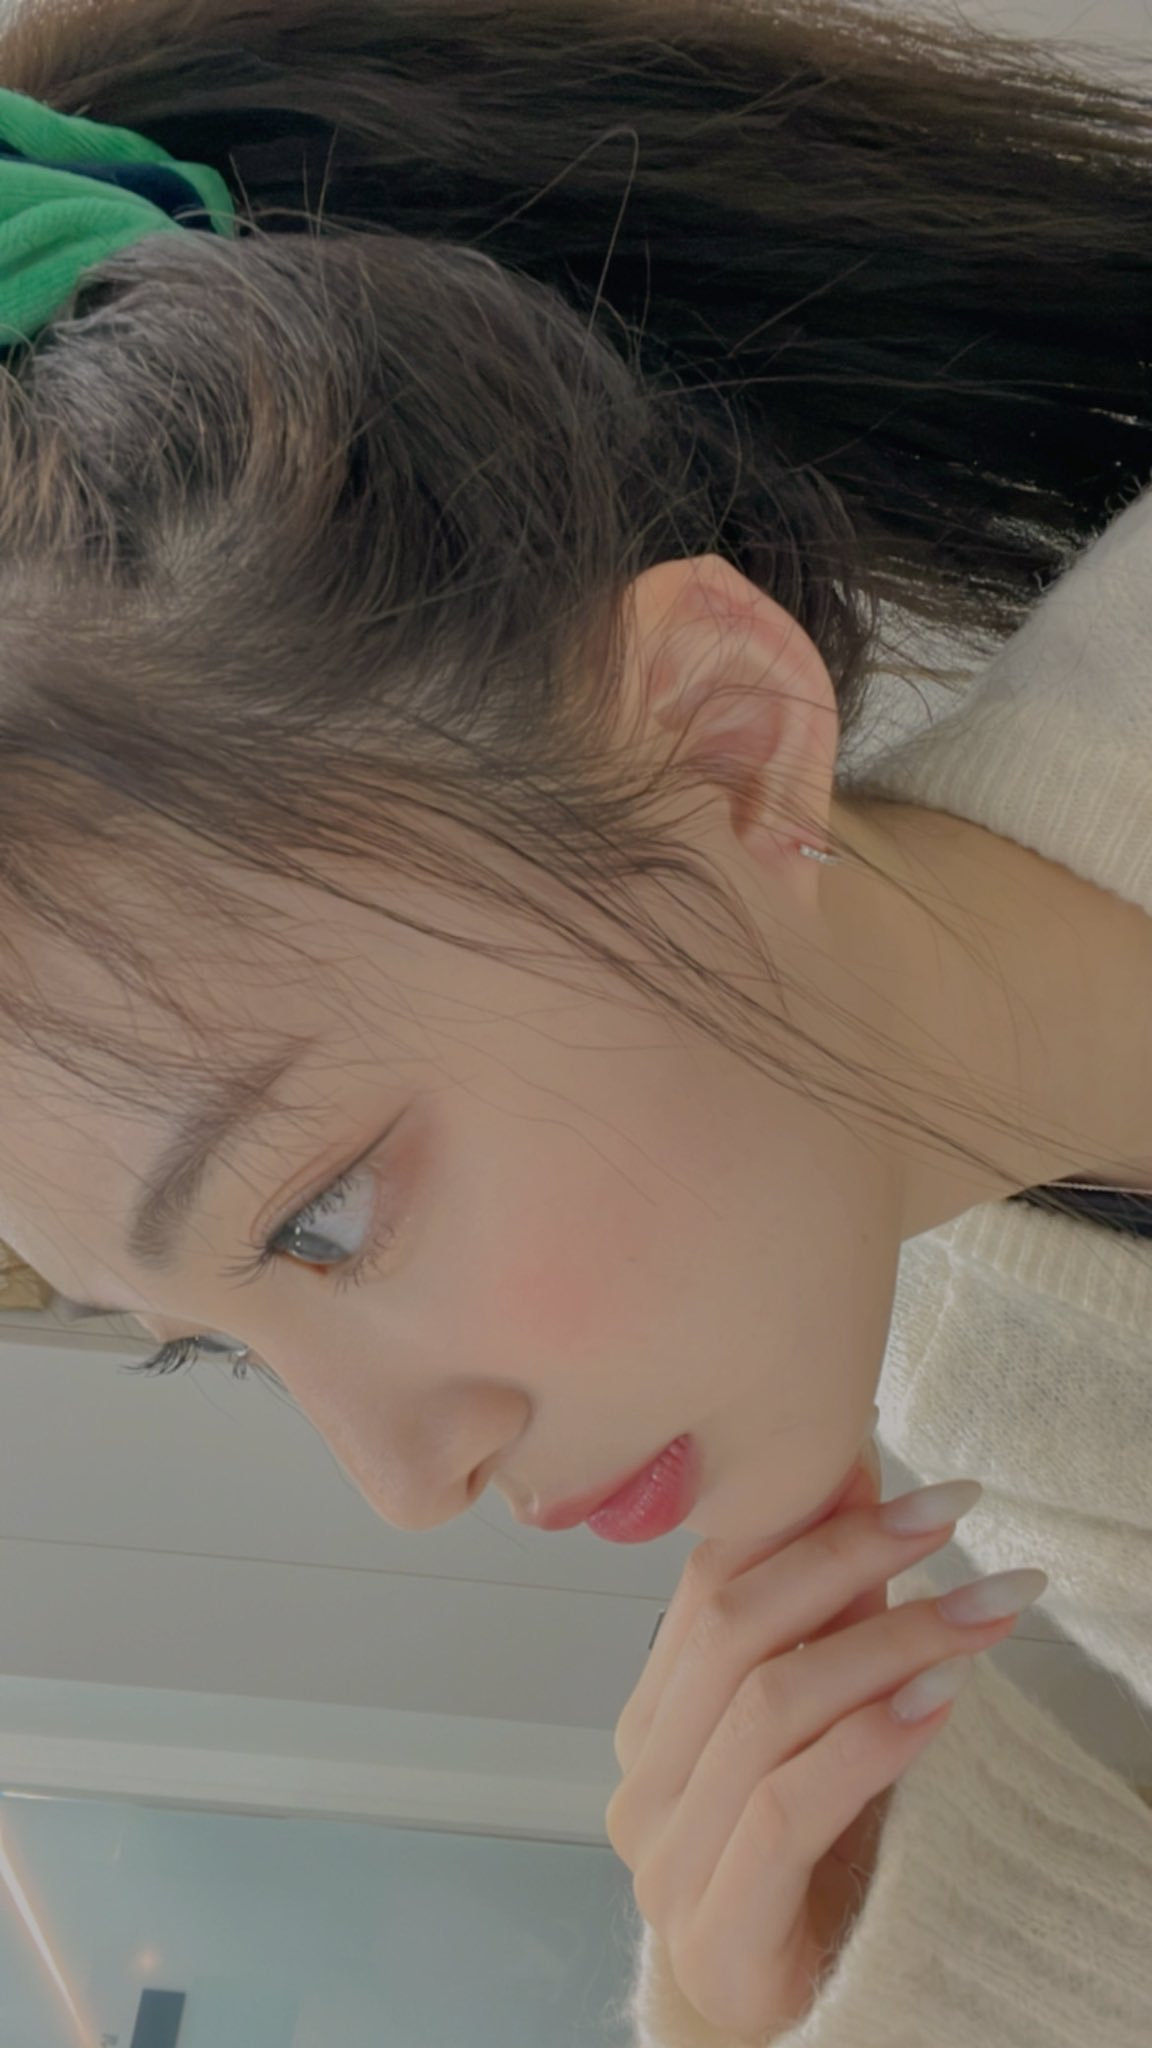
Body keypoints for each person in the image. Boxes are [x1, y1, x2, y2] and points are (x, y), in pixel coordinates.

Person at [0, 0, 1149, 2040]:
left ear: (721, 738)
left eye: (323, 1215)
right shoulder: (1007, 1411)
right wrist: (835, 1981)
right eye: (218, 1343)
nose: (404, 1484)